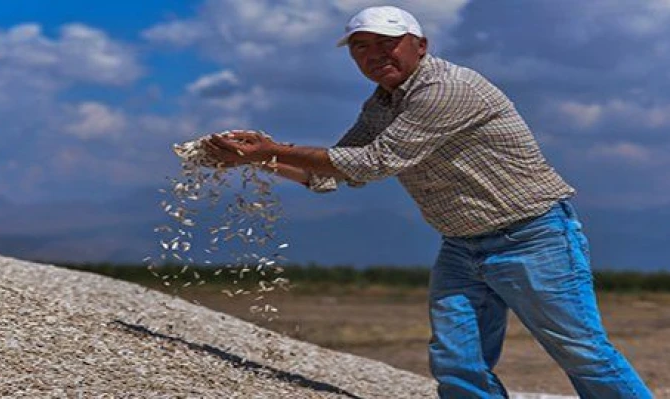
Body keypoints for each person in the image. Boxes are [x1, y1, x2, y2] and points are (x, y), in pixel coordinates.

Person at [204, 5, 652, 399]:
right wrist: (258, 158)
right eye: (360, 47)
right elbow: (336, 173)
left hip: (532, 237)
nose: (374, 55)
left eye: (387, 43)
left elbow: (373, 162)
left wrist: (268, 151)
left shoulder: (446, 88)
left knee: (583, 354)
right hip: (461, 244)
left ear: (420, 45)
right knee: (457, 363)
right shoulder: (381, 103)